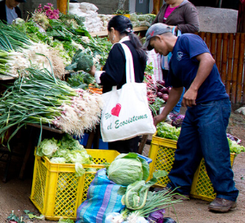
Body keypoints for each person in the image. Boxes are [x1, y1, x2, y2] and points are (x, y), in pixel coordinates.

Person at [147, 23, 238, 213]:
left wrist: (194, 88)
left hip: (213, 103)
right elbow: (176, 90)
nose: (155, 51)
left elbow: (208, 60)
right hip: (195, 108)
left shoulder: (187, 39)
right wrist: (162, 115)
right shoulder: (173, 62)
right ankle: (179, 188)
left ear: (159, 38)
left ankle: (226, 195)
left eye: (154, 45)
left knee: (214, 149)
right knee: (186, 147)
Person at [89, 15, 147, 154]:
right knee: (130, 150)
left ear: (113, 31)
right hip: (133, 106)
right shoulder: (136, 47)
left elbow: (113, 78)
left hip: (120, 107)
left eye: (109, 34)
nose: (109, 38)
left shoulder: (119, 48)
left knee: (119, 149)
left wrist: (96, 73)